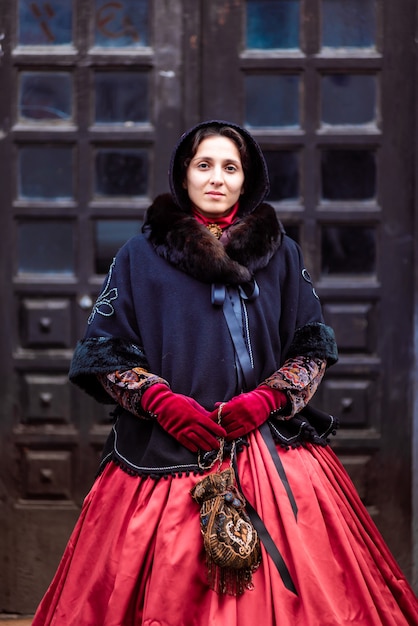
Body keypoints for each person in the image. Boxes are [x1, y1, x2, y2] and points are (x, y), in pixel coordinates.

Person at [32, 120, 418, 625]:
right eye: (204, 165)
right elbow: (105, 354)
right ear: (185, 174)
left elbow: (311, 347)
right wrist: (160, 403)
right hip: (165, 449)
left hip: (266, 446)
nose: (217, 178)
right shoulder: (138, 257)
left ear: (247, 179)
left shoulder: (282, 254)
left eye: (230, 167)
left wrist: (269, 399)